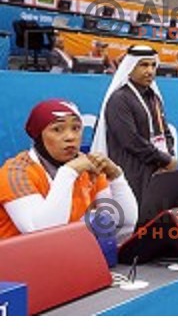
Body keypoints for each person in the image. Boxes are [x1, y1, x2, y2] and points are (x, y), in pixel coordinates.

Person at [0, 99, 137, 243]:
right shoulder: (15, 173)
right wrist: (68, 172)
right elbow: (42, 234)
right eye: (57, 129)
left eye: (76, 128)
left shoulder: (88, 167)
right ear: (39, 136)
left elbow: (122, 227)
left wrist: (116, 178)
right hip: (13, 262)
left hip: (68, 258)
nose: (70, 137)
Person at [91, 45, 178, 205]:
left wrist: (168, 157)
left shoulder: (154, 97)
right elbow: (131, 141)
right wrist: (164, 160)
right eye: (143, 65)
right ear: (130, 67)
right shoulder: (119, 99)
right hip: (131, 172)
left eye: (153, 65)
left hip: (157, 170)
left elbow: (166, 133)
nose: (150, 71)